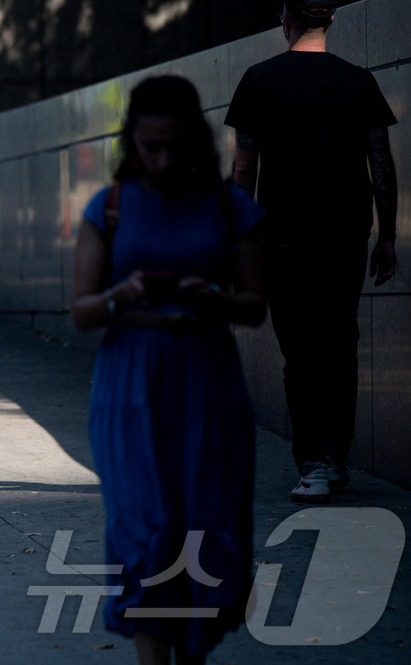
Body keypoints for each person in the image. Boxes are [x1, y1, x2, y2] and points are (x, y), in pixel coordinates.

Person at [70, 75, 268, 665]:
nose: (162, 159)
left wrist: (214, 297)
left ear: (196, 140)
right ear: (132, 140)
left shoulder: (232, 207)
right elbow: (81, 310)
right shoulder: (110, 205)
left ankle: (195, 655)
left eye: (175, 145)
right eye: (149, 146)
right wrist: (121, 296)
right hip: (130, 379)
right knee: (146, 530)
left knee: (208, 526)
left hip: (207, 375)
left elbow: (256, 306)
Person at [225, 0, 398, 503]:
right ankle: (336, 456)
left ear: (286, 20)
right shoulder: (358, 81)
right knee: (340, 343)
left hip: (284, 239)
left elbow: (244, 166)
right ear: (330, 19)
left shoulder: (260, 79)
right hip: (347, 235)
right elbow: (381, 165)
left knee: (299, 351)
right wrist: (387, 237)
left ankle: (313, 462)